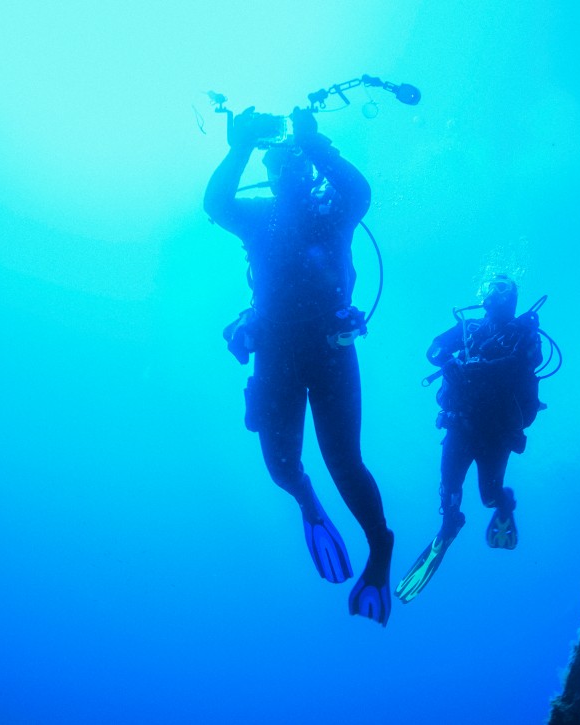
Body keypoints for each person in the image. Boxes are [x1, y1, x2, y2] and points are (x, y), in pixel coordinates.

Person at [204, 106, 394, 626]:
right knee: (283, 466)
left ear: (308, 170)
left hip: (330, 350)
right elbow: (215, 202)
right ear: (267, 174)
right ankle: (308, 503)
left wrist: (317, 145)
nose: (286, 174)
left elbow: (360, 193)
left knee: (344, 463)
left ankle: (380, 549)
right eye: (277, 166)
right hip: (278, 354)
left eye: (295, 165)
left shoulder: (332, 211)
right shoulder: (260, 217)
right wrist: (239, 147)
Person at [395, 274, 543, 603]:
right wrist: (448, 361)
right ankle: (449, 526)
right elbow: (433, 347)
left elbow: (528, 363)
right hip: (460, 426)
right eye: (491, 287)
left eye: (502, 289)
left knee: (488, 495)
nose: (494, 294)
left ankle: (503, 504)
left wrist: (475, 369)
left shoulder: (525, 334)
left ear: (513, 298)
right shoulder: (470, 329)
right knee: (449, 490)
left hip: (498, 432)